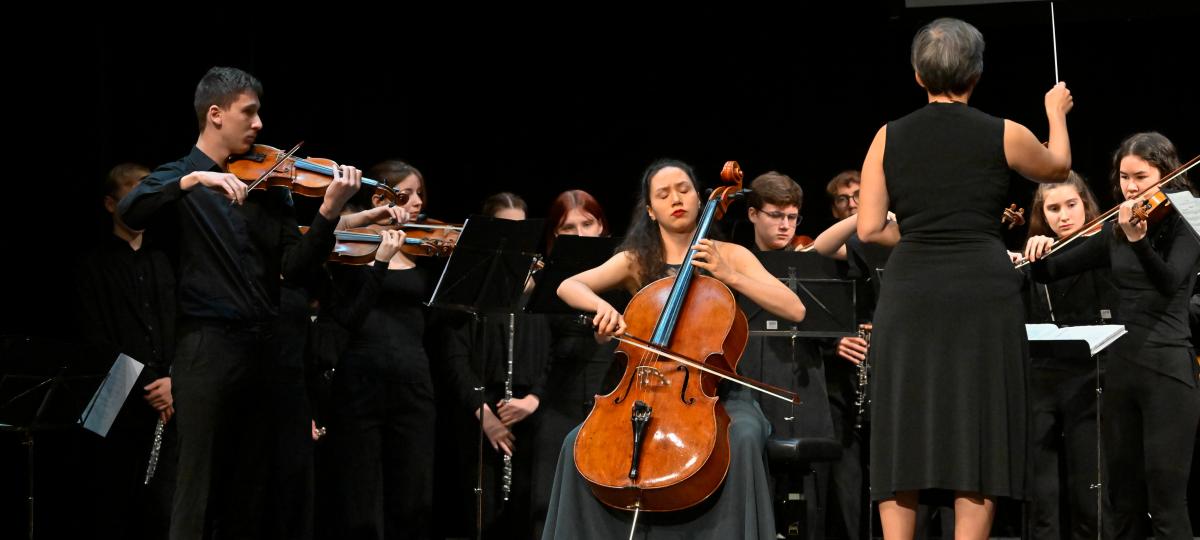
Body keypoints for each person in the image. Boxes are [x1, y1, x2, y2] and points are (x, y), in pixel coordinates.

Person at [117, 66, 367, 540]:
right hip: (207, 349)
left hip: (265, 350)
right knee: (197, 486)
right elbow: (132, 210)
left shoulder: (269, 185)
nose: (258, 124)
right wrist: (195, 181)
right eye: (248, 113)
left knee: (251, 488)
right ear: (215, 115)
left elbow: (294, 269)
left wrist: (330, 212)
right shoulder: (178, 178)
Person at [855, 17, 1074, 540]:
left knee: (904, 421)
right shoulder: (1005, 132)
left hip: (910, 292)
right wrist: (1055, 113)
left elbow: (867, 227)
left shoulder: (887, 137)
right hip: (982, 289)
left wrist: (920, 233)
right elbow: (1059, 166)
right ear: (976, 73)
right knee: (978, 421)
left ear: (917, 75)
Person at [543, 159, 807, 539]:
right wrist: (602, 306)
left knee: (744, 438)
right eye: (663, 194)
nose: (676, 199)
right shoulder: (636, 260)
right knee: (575, 444)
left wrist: (728, 273)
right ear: (651, 210)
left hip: (717, 394)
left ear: (701, 200)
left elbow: (793, 308)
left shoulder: (728, 254)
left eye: (683, 190)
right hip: (646, 389)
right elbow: (569, 286)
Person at [1027, 132, 1200, 540]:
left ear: (1166, 172)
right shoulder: (1119, 226)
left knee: (1166, 501)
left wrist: (1139, 243)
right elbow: (1049, 270)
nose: (1131, 187)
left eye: (1140, 176)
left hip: (1167, 371)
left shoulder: (1189, 215)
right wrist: (1038, 251)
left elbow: (1170, 281)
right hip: (1121, 373)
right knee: (1124, 500)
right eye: (1124, 177)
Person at [321, 159, 432, 540]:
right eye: (406, 193)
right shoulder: (352, 246)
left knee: (414, 491)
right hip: (361, 378)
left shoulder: (421, 248)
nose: (416, 201)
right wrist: (379, 256)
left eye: (420, 193)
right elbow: (349, 314)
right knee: (360, 492)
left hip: (413, 378)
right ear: (381, 196)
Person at [76, 162, 177, 540]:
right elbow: (95, 339)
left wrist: (172, 381)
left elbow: (181, 326)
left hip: (168, 400)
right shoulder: (92, 265)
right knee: (112, 505)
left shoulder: (163, 260)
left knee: (163, 508)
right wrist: (150, 385)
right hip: (116, 400)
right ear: (110, 204)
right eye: (135, 194)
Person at [1018, 172, 1116, 540]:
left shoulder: (1106, 246)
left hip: (1093, 377)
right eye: (1053, 209)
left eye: (1071, 205)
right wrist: (1027, 260)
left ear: (1086, 204)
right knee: (1041, 495)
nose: (1063, 216)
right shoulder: (1035, 257)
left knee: (1090, 488)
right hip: (1041, 377)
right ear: (1042, 214)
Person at [529, 189, 621, 536]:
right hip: (559, 396)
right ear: (555, 234)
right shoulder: (544, 278)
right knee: (550, 496)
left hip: (610, 392)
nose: (581, 235)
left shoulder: (622, 269)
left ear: (602, 227)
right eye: (569, 228)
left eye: (588, 224)